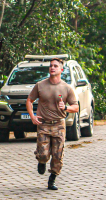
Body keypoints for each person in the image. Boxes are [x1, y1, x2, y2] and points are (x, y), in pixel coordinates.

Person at [26, 58, 78, 190]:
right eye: (50, 66)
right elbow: (29, 101)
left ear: (61, 70)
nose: (52, 68)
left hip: (59, 125)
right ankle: (42, 161)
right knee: (43, 154)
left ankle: (52, 178)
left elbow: (75, 107)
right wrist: (32, 116)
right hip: (43, 124)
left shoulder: (66, 88)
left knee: (58, 155)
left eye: (55, 66)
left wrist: (65, 108)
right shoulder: (40, 85)